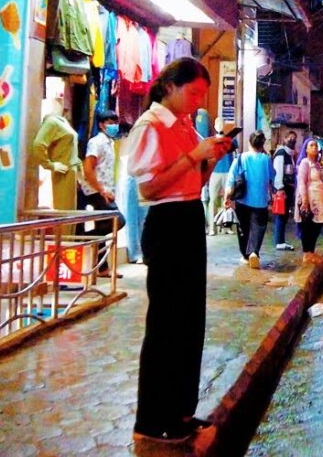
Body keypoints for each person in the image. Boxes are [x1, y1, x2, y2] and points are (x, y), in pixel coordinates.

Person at [125, 57, 231, 444]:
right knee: (166, 325)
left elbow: (193, 183)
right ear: (169, 87)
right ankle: (152, 420)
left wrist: (208, 161)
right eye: (193, 92)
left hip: (188, 217)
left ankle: (180, 411)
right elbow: (149, 190)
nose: (198, 101)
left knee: (190, 323)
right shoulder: (150, 126)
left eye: (203, 95)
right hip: (166, 223)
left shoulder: (185, 126)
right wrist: (193, 157)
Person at [77, 109, 123, 277]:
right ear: (101, 125)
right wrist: (101, 189)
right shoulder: (96, 142)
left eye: (115, 123)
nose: (114, 126)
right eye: (110, 123)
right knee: (117, 221)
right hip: (95, 191)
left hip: (105, 191)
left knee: (104, 225)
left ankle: (102, 268)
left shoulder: (110, 142)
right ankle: (84, 240)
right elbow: (88, 168)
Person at [227, 130, 274, 268]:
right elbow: (272, 176)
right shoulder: (266, 159)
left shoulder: (241, 158)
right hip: (260, 201)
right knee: (258, 228)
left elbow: (231, 178)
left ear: (249, 142)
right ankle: (254, 252)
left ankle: (245, 256)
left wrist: (227, 197)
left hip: (242, 200)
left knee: (244, 228)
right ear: (262, 144)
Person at [32, 98, 82, 210]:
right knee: (65, 213)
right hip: (64, 171)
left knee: (71, 214)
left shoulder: (63, 122)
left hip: (73, 172)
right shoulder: (51, 122)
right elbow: (38, 145)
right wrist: (50, 165)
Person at [295, 137, 323, 265]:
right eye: (311, 146)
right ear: (306, 149)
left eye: (316, 146)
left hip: (319, 200)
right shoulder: (305, 163)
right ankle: (307, 253)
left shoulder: (317, 164)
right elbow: (301, 182)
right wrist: (305, 200)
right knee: (308, 226)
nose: (314, 148)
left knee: (317, 225)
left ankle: (311, 251)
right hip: (310, 200)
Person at [115, 122, 147, 264]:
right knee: (132, 218)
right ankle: (134, 252)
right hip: (129, 178)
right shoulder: (121, 143)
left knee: (142, 217)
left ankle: (141, 250)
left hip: (140, 177)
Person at [205, 118, 238, 235]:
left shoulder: (229, 139)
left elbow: (234, 147)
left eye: (221, 124)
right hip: (215, 172)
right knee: (212, 200)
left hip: (227, 172)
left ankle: (226, 226)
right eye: (217, 124)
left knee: (227, 199)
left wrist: (227, 137)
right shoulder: (211, 140)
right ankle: (212, 228)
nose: (219, 125)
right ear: (214, 126)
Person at [271, 131, 297, 251]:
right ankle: (279, 241)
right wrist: (280, 189)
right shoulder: (281, 154)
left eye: (294, 139)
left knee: (284, 215)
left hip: (288, 188)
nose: (292, 140)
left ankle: (280, 240)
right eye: (290, 138)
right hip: (283, 189)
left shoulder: (290, 154)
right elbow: (278, 172)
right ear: (285, 138)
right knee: (281, 215)